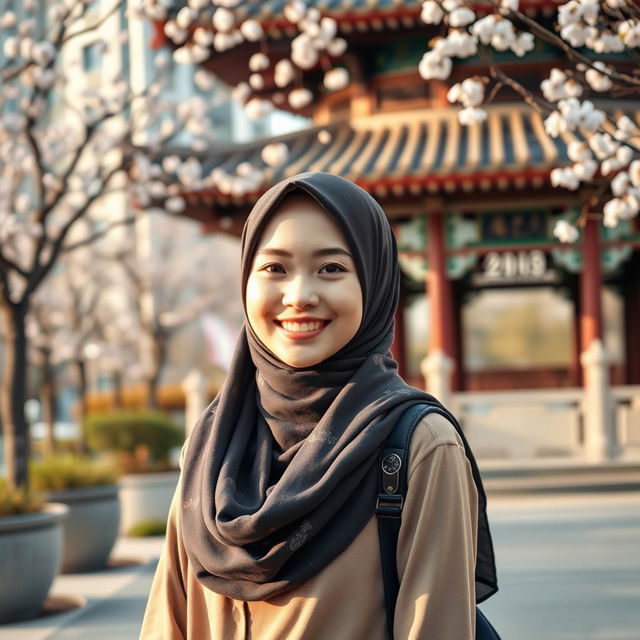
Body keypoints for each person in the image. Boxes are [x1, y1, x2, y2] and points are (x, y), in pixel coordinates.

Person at [139, 172, 497, 640]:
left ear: (374, 283)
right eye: (274, 269)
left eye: (331, 268)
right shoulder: (210, 447)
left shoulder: (418, 447)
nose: (299, 295)